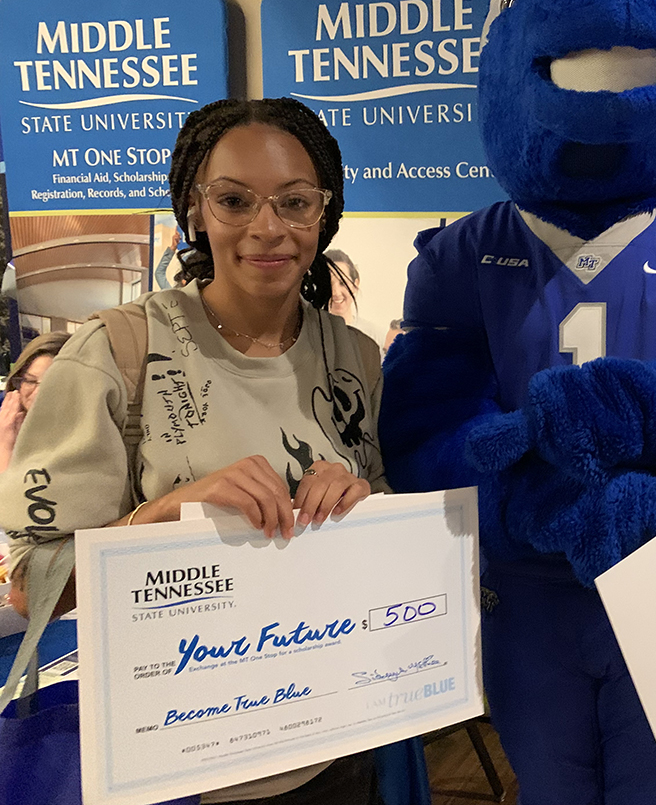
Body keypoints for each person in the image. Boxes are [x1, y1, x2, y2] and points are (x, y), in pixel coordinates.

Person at [0, 97, 389, 804]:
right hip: (179, 763)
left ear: (322, 213)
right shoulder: (115, 349)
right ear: (195, 209)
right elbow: (33, 582)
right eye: (234, 200)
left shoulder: (355, 358)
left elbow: (381, 526)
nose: (267, 228)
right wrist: (171, 511)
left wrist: (361, 504)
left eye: (294, 202)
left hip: (328, 744)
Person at [0, 330, 70, 473]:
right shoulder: (6, 422)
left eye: (52, 384)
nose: (38, 393)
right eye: (30, 381)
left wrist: (6, 449)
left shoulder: (82, 446)